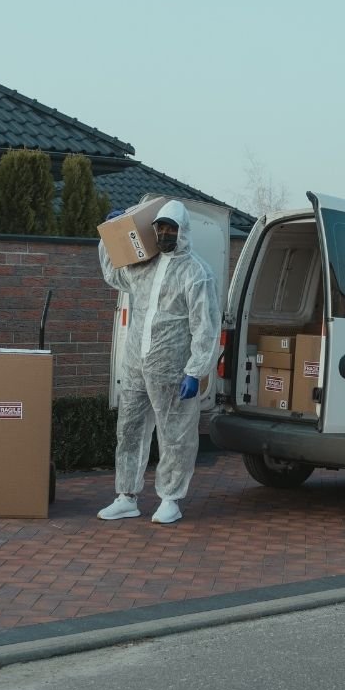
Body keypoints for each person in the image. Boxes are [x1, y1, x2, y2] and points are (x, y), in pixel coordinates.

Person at [97, 200, 221, 524]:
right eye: (161, 228)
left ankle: (170, 499)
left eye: (171, 228)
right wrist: (109, 238)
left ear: (183, 231)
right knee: (129, 430)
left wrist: (196, 371)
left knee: (175, 434)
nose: (165, 233)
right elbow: (114, 274)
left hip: (173, 370)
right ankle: (126, 496)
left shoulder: (197, 273)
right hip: (136, 365)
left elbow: (205, 327)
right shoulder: (145, 266)